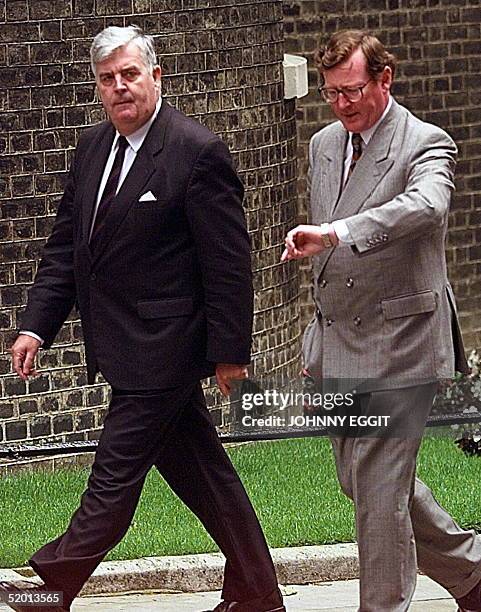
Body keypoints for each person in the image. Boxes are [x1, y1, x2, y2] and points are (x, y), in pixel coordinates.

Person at [1, 25, 285, 612]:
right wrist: (35, 327)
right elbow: (66, 252)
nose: (119, 87)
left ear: (156, 76)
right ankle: (259, 594)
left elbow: (228, 263)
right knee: (208, 480)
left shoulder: (196, 152)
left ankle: (51, 588)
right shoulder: (91, 149)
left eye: (130, 74)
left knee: (110, 486)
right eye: (108, 79)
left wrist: (231, 352)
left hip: (165, 351)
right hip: (120, 347)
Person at [281, 29, 481, 612]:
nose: (342, 104)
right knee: (366, 484)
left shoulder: (426, 143)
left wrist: (337, 232)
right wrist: (315, 332)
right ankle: (470, 575)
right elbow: (330, 256)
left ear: (384, 79)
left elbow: (425, 207)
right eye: (331, 93)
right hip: (339, 343)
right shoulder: (322, 144)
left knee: (377, 493)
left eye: (353, 90)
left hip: (402, 344)